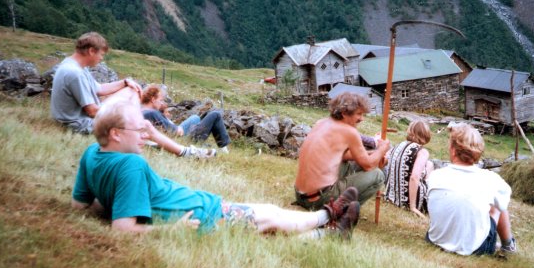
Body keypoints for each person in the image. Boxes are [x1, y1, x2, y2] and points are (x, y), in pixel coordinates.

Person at [71, 103, 360, 238]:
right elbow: (122, 229)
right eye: (139, 130)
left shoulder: (92, 154)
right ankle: (328, 218)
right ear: (117, 134)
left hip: (198, 206)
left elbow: (81, 204)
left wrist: (116, 204)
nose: (146, 136)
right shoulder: (130, 164)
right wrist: (170, 230)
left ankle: (329, 227)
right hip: (200, 217)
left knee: (265, 224)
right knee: (268, 216)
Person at [51, 32, 212, 159]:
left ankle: (138, 125)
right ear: (91, 51)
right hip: (79, 124)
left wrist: (125, 82)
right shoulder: (74, 74)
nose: (101, 59)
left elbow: (99, 89)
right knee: (145, 126)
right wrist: (124, 118)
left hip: (79, 117)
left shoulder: (75, 66)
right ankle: (184, 152)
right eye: (101, 55)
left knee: (132, 89)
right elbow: (92, 111)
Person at [426, 122, 517, 256]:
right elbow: (504, 203)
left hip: (435, 240)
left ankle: (451, 236)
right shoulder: (491, 179)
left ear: (452, 149)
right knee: (498, 205)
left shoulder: (436, 175)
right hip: (475, 249)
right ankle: (508, 245)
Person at [294, 92, 390, 210]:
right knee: (378, 175)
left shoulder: (321, 123)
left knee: (347, 162)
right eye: (359, 114)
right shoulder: (349, 132)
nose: (362, 118)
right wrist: (382, 148)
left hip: (301, 195)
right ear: (344, 113)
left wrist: (374, 153)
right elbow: (369, 165)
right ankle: (337, 213)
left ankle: (333, 204)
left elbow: (344, 156)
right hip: (319, 199)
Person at [140, 84, 231, 152]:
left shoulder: (141, 111)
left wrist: (166, 119)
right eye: (160, 100)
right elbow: (178, 132)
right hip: (182, 140)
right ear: (153, 99)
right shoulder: (153, 113)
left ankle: (203, 140)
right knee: (215, 115)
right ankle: (224, 149)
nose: (161, 103)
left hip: (171, 136)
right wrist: (169, 122)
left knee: (195, 117)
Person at [383, 119, 434, 217]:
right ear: (426, 135)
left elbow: (384, 161)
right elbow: (414, 177)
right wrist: (413, 207)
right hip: (410, 201)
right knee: (430, 165)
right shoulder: (422, 151)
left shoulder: (397, 146)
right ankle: (426, 196)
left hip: (392, 197)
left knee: (429, 164)